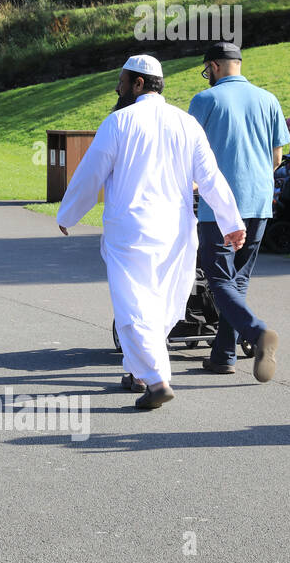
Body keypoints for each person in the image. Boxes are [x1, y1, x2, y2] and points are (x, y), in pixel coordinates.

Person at [57, 55, 251, 410]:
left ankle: (157, 379)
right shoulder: (187, 123)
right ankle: (137, 372)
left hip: (131, 232)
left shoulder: (118, 122)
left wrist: (68, 212)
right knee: (161, 306)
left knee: (133, 305)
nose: (117, 87)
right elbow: (210, 178)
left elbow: (91, 173)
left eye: (122, 80)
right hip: (177, 232)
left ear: (139, 83)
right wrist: (232, 222)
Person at [188, 42, 289, 378]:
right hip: (259, 201)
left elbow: (190, 154)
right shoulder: (269, 99)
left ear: (214, 66)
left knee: (218, 280)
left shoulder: (205, 100)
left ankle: (259, 332)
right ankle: (223, 356)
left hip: (219, 204)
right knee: (237, 281)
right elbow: (277, 158)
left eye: (207, 70)